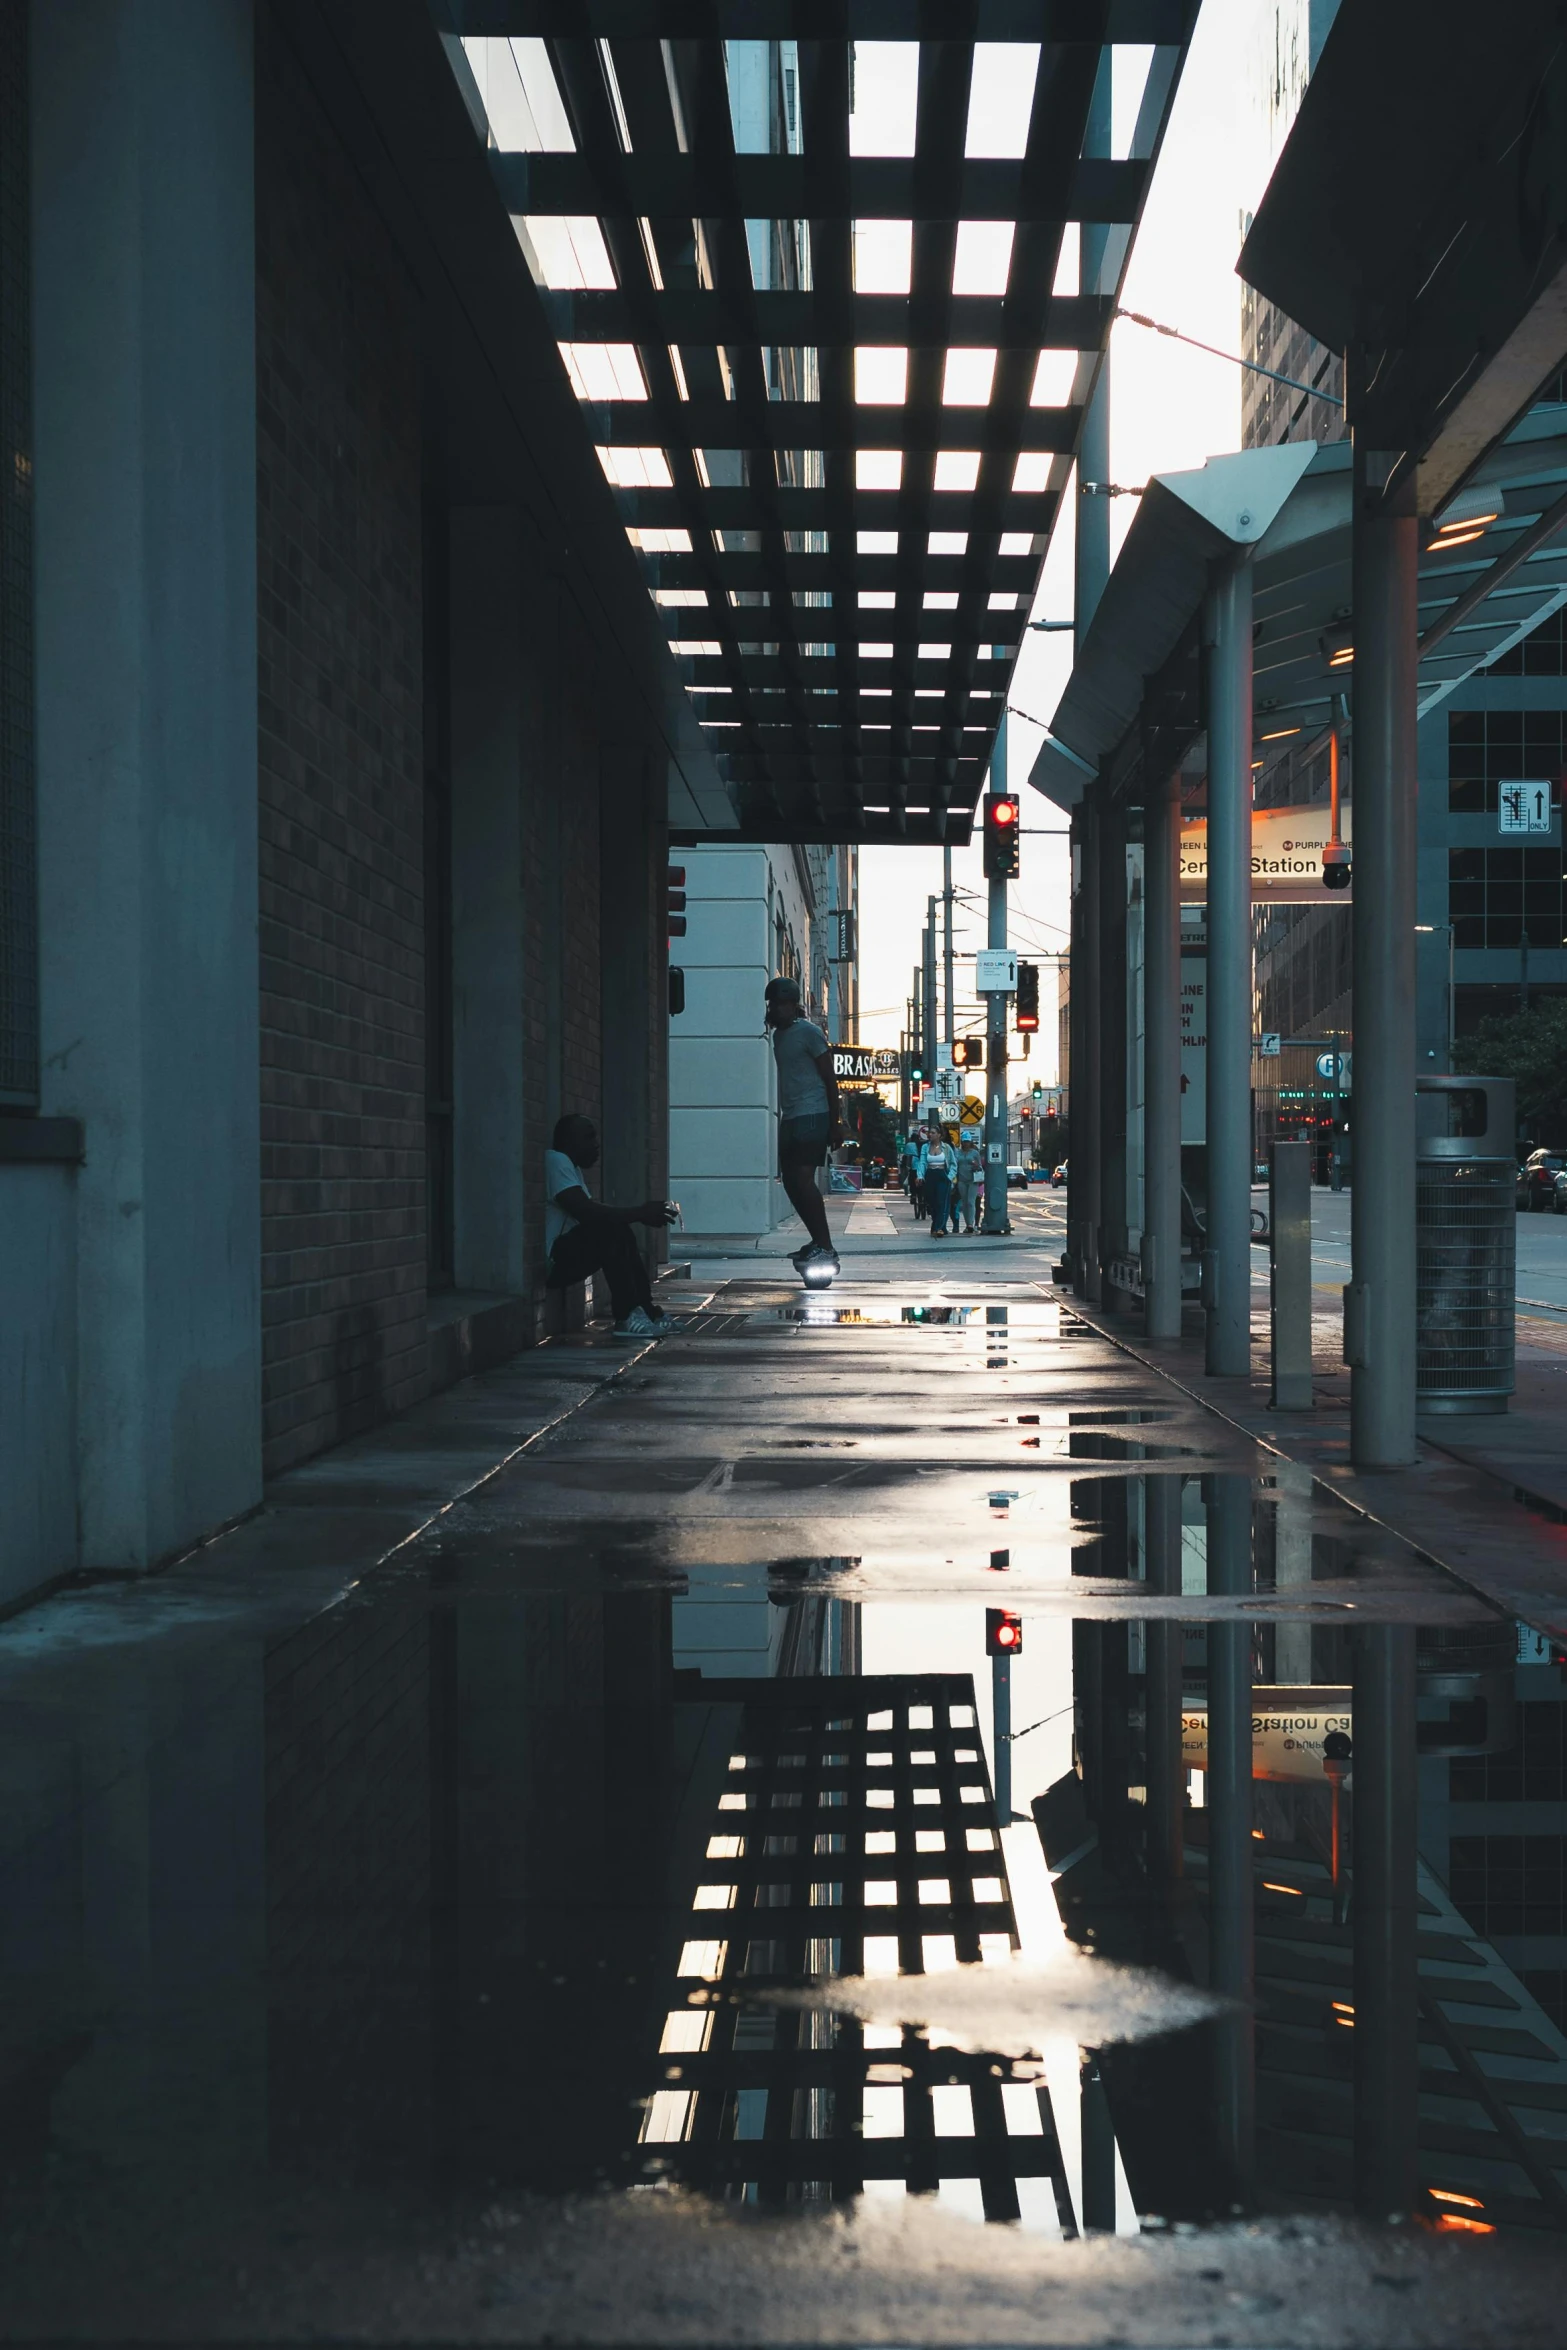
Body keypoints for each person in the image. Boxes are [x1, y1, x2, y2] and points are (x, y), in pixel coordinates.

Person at [544, 1114, 677, 1338]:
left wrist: (636, 1215)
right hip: (553, 1262)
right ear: (568, 1141)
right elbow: (585, 1211)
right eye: (588, 1137)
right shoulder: (555, 1160)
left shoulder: (571, 1168)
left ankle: (645, 1310)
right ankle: (626, 1316)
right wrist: (639, 1213)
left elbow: (593, 1211)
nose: (596, 1144)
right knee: (610, 1229)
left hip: (566, 1255)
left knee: (618, 1228)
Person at [764, 976, 845, 1276]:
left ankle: (825, 1244)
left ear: (792, 1005)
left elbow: (830, 1079)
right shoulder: (778, 1037)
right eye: (772, 1005)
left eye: (781, 1005)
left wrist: (835, 1124)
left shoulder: (810, 1033)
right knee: (789, 1181)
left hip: (814, 1115)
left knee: (802, 1179)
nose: (775, 1010)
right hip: (791, 1115)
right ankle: (816, 1241)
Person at [917, 1120, 958, 1240]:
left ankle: (939, 1228)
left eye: (933, 1133)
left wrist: (949, 1177)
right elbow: (922, 1162)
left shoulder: (946, 1148)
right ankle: (937, 1224)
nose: (930, 1135)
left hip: (942, 1175)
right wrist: (920, 1176)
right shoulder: (925, 1147)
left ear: (939, 1135)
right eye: (930, 1133)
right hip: (930, 1175)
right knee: (931, 1203)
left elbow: (953, 1164)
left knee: (942, 1202)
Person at [955, 1131, 983, 1234]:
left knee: (971, 1202)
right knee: (965, 1203)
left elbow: (980, 1167)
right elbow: (955, 1165)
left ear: (970, 1142)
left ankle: (971, 1224)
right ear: (961, 1142)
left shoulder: (975, 1153)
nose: (966, 1143)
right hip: (961, 1180)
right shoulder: (957, 1152)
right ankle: (968, 1224)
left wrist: (976, 1165)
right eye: (964, 1141)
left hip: (973, 1181)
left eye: (967, 1141)